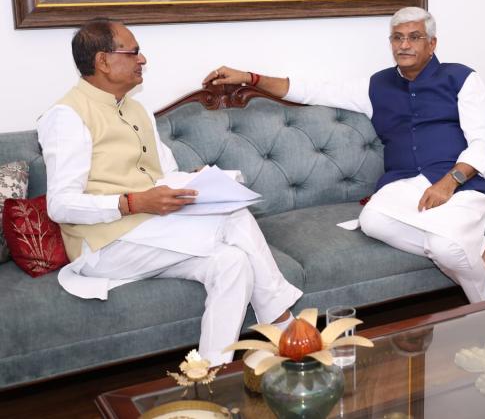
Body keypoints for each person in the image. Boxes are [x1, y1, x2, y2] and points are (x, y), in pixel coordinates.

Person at [204, 6, 485, 303]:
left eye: (414, 37)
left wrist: (449, 182)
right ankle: (483, 253)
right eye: (397, 37)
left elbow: (482, 143)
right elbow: (314, 89)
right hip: (406, 184)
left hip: (463, 183)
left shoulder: (461, 78)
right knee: (373, 220)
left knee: (447, 248)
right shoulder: (377, 86)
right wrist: (250, 78)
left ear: (432, 44)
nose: (404, 45)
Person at [38, 19, 302, 366]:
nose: (142, 59)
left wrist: (193, 181)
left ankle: (209, 372)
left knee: (232, 262)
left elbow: (163, 174)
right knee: (233, 216)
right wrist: (132, 202)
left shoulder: (137, 109)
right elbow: (60, 205)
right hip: (105, 245)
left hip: (151, 231)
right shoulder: (67, 116)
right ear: (103, 61)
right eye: (133, 52)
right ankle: (283, 324)